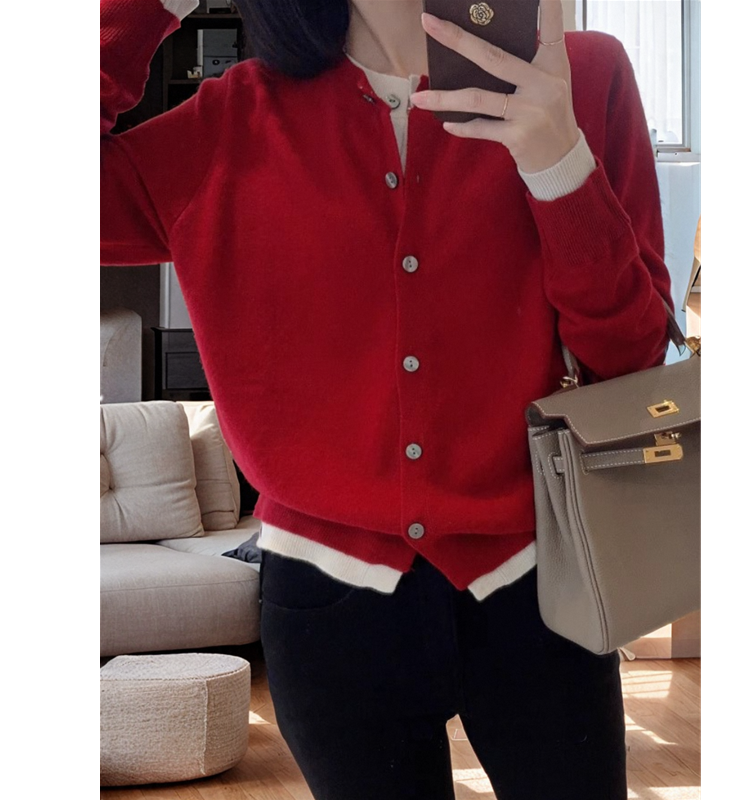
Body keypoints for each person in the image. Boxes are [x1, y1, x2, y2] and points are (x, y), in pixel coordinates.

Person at [101, 0, 674, 797]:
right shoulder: (231, 122)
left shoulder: (582, 76)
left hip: (543, 583)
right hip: (327, 603)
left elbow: (632, 357)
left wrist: (559, 164)